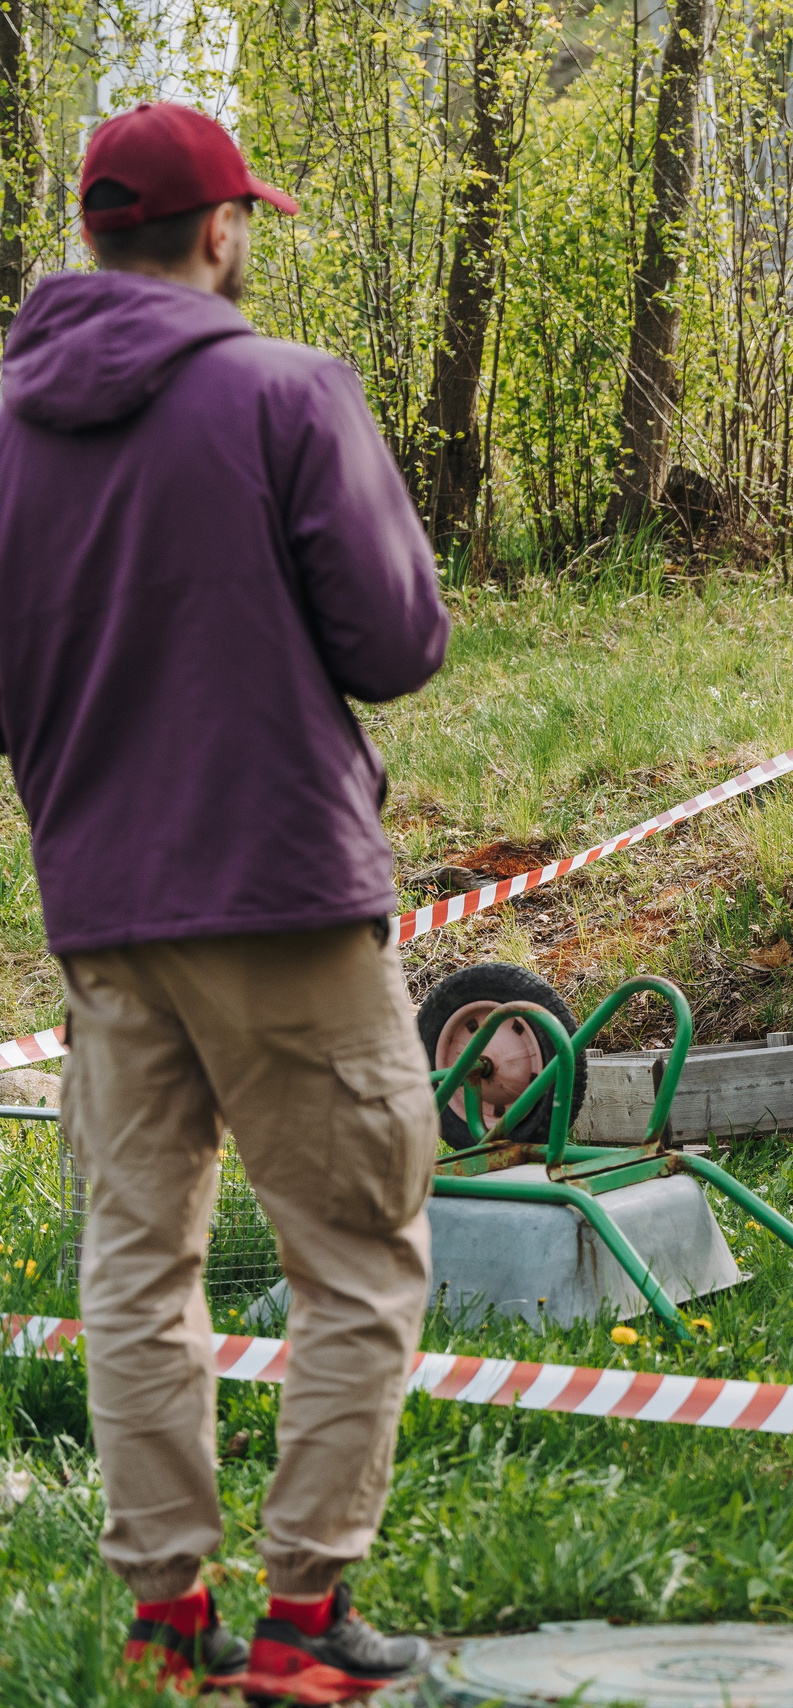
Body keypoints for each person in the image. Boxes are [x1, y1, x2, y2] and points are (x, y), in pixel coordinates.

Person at [0, 104, 448, 1701]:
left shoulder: (3, 425)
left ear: (91, 234)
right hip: (280, 897)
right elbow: (397, 645)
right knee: (358, 1253)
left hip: (104, 913)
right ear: (215, 233)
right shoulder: (287, 392)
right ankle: (309, 1623)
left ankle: (164, 1619)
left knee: (135, 1265)